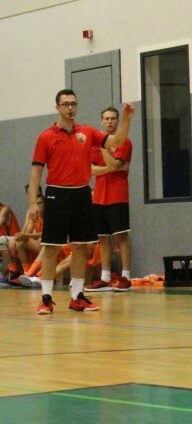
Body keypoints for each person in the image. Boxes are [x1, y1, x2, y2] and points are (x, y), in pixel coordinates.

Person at [26, 89, 135, 315]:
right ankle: (46, 298)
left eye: (73, 103)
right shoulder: (45, 137)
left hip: (82, 194)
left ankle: (77, 296)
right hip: (57, 194)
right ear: (57, 107)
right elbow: (36, 174)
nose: (70, 108)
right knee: (51, 248)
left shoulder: (87, 132)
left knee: (81, 247)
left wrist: (126, 119)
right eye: (66, 104)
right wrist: (33, 203)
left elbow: (117, 140)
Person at [84, 106, 134, 293]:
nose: (110, 122)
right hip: (98, 196)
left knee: (121, 236)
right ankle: (105, 278)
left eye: (113, 118)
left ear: (118, 121)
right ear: (101, 121)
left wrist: (104, 149)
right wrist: (110, 167)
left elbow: (115, 163)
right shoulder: (93, 145)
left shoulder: (124, 142)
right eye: (106, 119)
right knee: (103, 237)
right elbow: (90, 169)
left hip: (118, 194)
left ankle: (126, 277)